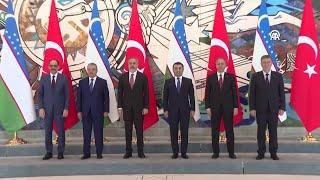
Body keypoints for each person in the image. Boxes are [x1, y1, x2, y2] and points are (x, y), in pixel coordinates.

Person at [249, 55, 285, 160]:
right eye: (264, 62)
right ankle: (261, 152)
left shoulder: (278, 76)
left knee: (273, 132)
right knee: (261, 132)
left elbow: (281, 93)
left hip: (274, 110)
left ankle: (273, 152)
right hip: (260, 110)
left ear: (271, 63)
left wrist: (282, 107)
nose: (266, 64)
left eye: (268, 62)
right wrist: (252, 108)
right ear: (261, 64)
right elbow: (252, 94)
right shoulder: (255, 76)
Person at [205, 57, 238, 159]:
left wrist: (236, 107)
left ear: (225, 65)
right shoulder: (210, 78)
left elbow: (234, 93)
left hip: (228, 108)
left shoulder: (231, 77)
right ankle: (216, 153)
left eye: (222, 63)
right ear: (216, 65)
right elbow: (207, 94)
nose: (220, 65)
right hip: (214, 108)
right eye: (218, 64)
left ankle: (231, 153)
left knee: (229, 131)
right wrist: (207, 107)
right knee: (214, 131)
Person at [118, 57, 149, 159]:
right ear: (127, 64)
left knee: (139, 131)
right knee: (128, 131)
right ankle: (128, 152)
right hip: (126, 109)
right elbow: (120, 94)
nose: (132, 65)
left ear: (137, 64)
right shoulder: (122, 77)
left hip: (139, 109)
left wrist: (146, 107)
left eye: (134, 63)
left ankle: (140, 152)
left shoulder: (143, 77)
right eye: (130, 63)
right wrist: (119, 107)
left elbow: (146, 94)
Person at [163, 62, 195, 159]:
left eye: (179, 68)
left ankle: (184, 153)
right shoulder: (168, 82)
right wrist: (165, 109)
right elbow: (165, 97)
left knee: (185, 131)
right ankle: (175, 153)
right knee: (173, 132)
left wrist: (193, 109)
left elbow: (192, 97)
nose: (177, 70)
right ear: (173, 70)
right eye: (176, 68)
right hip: (172, 111)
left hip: (185, 110)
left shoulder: (188, 81)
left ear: (182, 69)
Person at [77, 63, 109, 160]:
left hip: (98, 112)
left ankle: (99, 153)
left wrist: (106, 110)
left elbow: (106, 98)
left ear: (96, 70)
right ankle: (86, 153)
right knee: (86, 133)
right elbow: (79, 98)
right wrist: (79, 111)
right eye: (89, 69)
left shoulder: (102, 82)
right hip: (85, 112)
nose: (91, 71)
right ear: (87, 70)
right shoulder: (82, 82)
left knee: (98, 133)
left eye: (93, 69)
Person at [39, 59, 69, 160]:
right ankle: (49, 152)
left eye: (55, 65)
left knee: (61, 131)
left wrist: (66, 108)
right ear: (48, 66)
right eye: (51, 65)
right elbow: (40, 95)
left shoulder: (63, 78)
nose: (53, 67)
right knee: (48, 131)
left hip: (60, 110)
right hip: (46, 110)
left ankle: (60, 152)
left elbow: (67, 95)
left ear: (58, 67)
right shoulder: (44, 78)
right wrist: (41, 108)